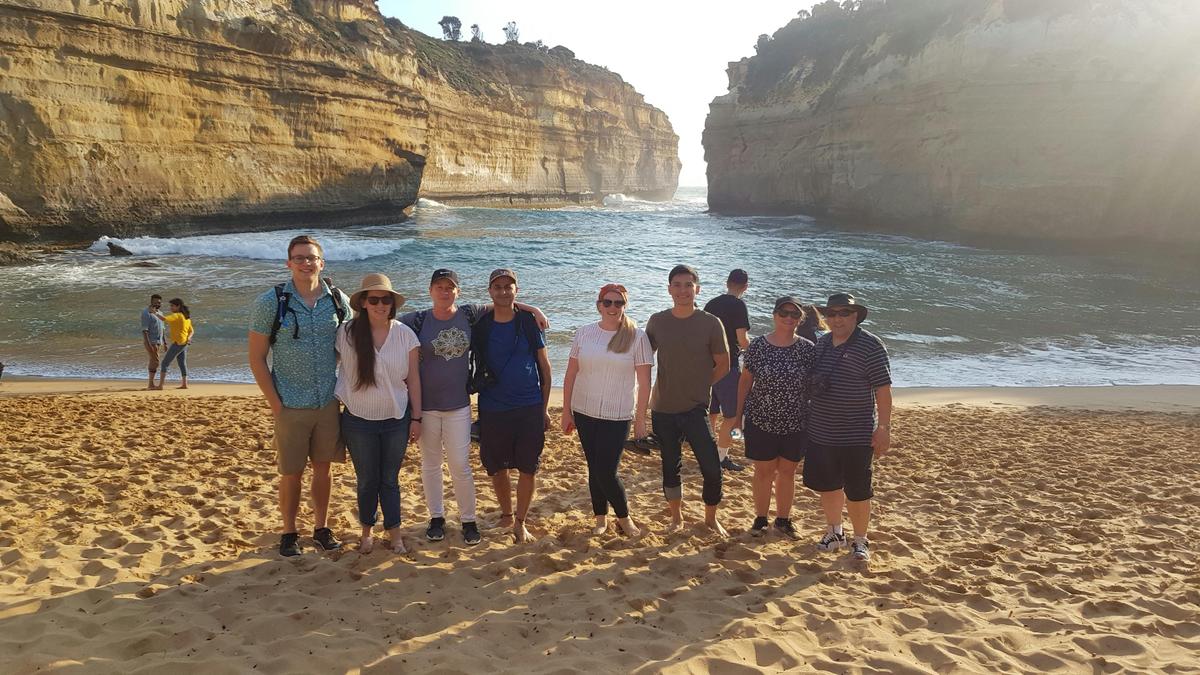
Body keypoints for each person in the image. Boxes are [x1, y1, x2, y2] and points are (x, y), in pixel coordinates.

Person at [399, 269, 548, 546]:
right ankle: (436, 518)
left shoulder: (469, 314)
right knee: (431, 465)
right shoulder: (416, 319)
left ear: (459, 291)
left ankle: (468, 520)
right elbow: (385, 323)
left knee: (460, 466)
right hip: (427, 406)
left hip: (459, 405)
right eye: (439, 287)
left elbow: (503, 302)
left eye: (450, 287)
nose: (445, 292)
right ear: (430, 291)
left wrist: (534, 308)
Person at [248, 235, 350, 557]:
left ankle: (321, 527)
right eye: (300, 258)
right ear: (288, 263)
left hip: (327, 402)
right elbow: (256, 357)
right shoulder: (271, 302)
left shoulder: (338, 300)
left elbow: (352, 346)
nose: (307, 263)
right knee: (291, 472)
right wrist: (275, 404)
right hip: (289, 402)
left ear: (322, 262)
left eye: (312, 258)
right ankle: (289, 532)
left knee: (323, 469)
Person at [335, 274, 421, 555]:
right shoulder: (346, 334)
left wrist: (417, 417)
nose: (380, 304)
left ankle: (395, 533)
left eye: (386, 300)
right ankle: (366, 531)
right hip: (358, 419)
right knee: (367, 479)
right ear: (362, 303)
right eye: (374, 299)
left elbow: (414, 381)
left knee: (390, 479)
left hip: (396, 418)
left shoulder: (405, 334)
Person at [804, 293, 892, 562]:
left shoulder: (871, 345)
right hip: (821, 430)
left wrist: (884, 428)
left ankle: (860, 540)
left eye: (843, 313)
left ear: (855, 316)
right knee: (829, 486)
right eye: (831, 314)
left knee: (858, 490)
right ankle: (835, 532)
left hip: (857, 432)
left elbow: (883, 390)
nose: (836, 319)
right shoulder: (821, 345)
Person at [561, 283, 652, 537]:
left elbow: (645, 382)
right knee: (594, 467)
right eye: (608, 302)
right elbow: (570, 374)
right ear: (599, 305)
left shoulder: (637, 336)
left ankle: (624, 518)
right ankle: (601, 519)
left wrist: (641, 419)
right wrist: (566, 411)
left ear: (625, 306)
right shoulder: (584, 333)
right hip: (583, 410)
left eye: (619, 303)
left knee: (606, 471)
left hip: (618, 413)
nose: (613, 308)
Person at [646, 264, 730, 535]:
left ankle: (710, 518)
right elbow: (641, 357)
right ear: (669, 289)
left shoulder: (710, 323)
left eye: (688, 285)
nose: (683, 290)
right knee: (671, 466)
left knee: (712, 467)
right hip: (663, 408)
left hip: (695, 408)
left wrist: (700, 386)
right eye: (677, 285)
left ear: (697, 289)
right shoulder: (657, 321)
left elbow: (723, 364)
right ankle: (676, 518)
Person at [472, 268, 551, 543]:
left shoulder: (528, 322)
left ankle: (520, 521)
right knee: (497, 467)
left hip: (529, 405)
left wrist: (543, 409)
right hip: (493, 406)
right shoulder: (481, 325)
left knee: (529, 467)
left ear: (516, 290)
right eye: (498, 287)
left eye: (509, 286)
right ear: (490, 291)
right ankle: (506, 515)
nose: (503, 291)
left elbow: (545, 366)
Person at [734, 297, 816, 539]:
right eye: (784, 312)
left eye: (794, 314)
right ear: (774, 314)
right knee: (763, 471)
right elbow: (745, 383)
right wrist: (737, 417)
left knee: (788, 472)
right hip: (761, 419)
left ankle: (783, 520)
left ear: (800, 319)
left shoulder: (807, 349)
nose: (789, 318)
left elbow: (815, 386)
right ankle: (760, 519)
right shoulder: (758, 346)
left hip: (796, 421)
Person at [703, 269, 751, 472]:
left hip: (706, 362)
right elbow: (742, 340)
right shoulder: (739, 305)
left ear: (727, 283)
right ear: (745, 287)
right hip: (727, 363)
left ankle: (708, 446)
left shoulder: (712, 303)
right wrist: (753, 346)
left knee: (711, 410)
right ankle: (721, 455)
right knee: (732, 415)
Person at [156, 298, 193, 390]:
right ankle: (184, 384)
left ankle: (160, 386)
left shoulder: (177, 315)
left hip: (178, 343)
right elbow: (191, 331)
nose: (170, 308)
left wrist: (154, 312)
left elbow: (164, 319)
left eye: (172, 306)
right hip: (184, 343)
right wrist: (189, 338)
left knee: (165, 363)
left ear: (178, 306)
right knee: (182, 363)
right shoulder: (186, 317)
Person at [140, 294, 166, 390]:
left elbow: (163, 329)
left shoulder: (160, 313)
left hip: (159, 341)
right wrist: (148, 343)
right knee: (155, 361)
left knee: (153, 361)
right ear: (151, 302)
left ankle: (151, 383)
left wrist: (165, 342)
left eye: (159, 303)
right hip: (152, 341)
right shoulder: (146, 313)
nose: (157, 304)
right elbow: (145, 330)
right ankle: (150, 383)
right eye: (155, 302)